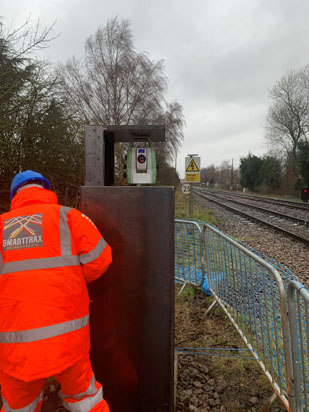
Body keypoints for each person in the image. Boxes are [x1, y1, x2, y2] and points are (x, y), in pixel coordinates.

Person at [0, 170, 112, 412]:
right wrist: (72, 279)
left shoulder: (0, 227)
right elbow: (101, 260)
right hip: (68, 342)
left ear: (14, 196)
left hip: (16, 349)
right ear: (46, 190)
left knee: (18, 407)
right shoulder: (69, 217)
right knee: (87, 400)